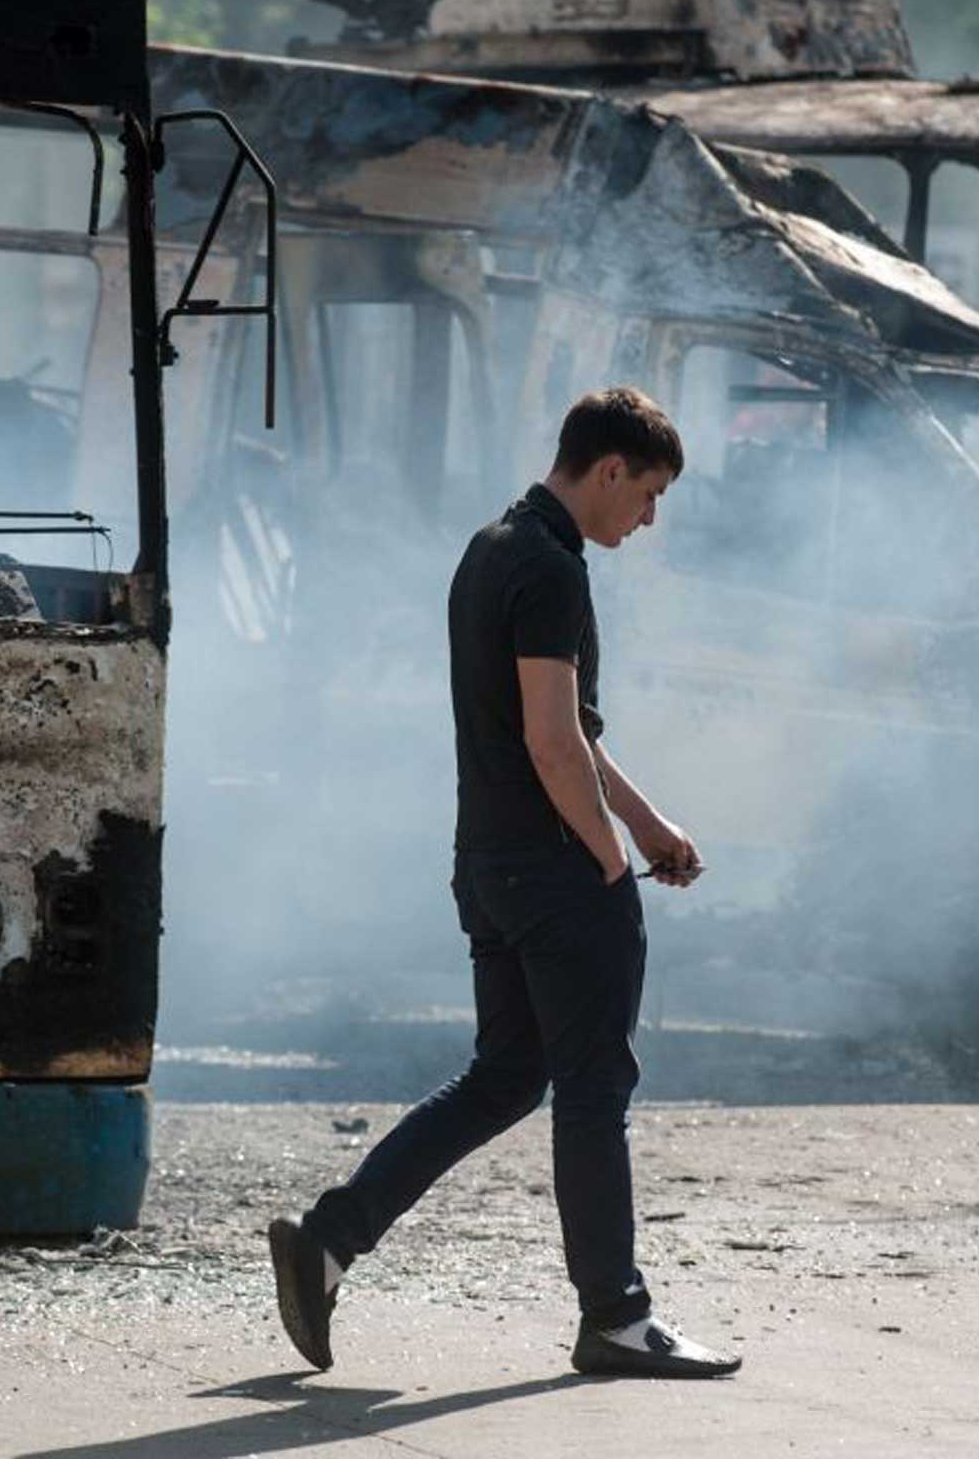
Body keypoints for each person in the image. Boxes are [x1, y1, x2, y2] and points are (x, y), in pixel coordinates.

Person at [268, 386, 741, 1380]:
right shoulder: (551, 569)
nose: (647, 519)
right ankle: (614, 1317)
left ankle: (330, 1239)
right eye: (647, 495)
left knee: (506, 1077)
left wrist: (645, 821)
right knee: (593, 1089)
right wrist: (610, 862)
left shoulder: (492, 548)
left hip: (486, 863)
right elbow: (549, 741)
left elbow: (568, 726)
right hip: (553, 870)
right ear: (608, 469)